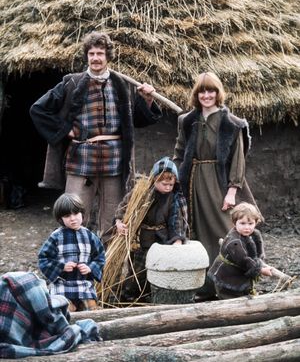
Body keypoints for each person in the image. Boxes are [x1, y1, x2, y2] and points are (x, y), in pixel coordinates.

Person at [30, 31, 162, 242]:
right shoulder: (71, 83)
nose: (95, 58)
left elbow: (138, 120)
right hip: (81, 158)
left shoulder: (123, 85)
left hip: (115, 160)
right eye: (91, 53)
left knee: (113, 218)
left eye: (100, 53)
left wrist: (145, 100)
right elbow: (38, 109)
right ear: (87, 56)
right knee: (73, 214)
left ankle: (108, 268)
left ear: (108, 56)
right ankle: (73, 263)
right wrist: (65, 130)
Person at [173, 72, 258, 297]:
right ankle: (206, 288)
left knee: (226, 234)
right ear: (196, 94)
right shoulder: (187, 120)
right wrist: (174, 178)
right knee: (198, 234)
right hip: (193, 184)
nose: (206, 95)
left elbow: (238, 160)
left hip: (220, 184)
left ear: (218, 93)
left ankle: (235, 286)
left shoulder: (231, 123)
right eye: (202, 91)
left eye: (211, 90)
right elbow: (179, 153)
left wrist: (232, 192)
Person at [114, 157, 188, 302]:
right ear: (154, 180)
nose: (167, 187)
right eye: (164, 184)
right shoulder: (141, 194)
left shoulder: (174, 199)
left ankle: (152, 295)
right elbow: (123, 208)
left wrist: (177, 239)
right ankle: (130, 296)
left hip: (162, 240)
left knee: (159, 269)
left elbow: (177, 221)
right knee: (137, 270)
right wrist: (118, 222)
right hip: (141, 239)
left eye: (171, 184)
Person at [38, 193, 106, 312]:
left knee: (92, 311)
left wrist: (90, 268)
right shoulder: (56, 237)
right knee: (66, 311)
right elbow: (43, 258)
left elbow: (100, 256)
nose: (73, 218)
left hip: (84, 285)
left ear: (82, 214)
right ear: (60, 219)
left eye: (76, 213)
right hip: (61, 285)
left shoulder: (90, 236)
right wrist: (61, 267)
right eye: (67, 215)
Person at [208, 202, 273, 299]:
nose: (247, 227)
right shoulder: (234, 242)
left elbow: (258, 251)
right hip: (227, 277)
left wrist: (259, 261)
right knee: (230, 301)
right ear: (234, 223)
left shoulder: (254, 234)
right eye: (242, 223)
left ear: (256, 222)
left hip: (239, 274)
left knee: (244, 294)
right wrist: (261, 270)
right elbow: (244, 260)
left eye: (250, 223)